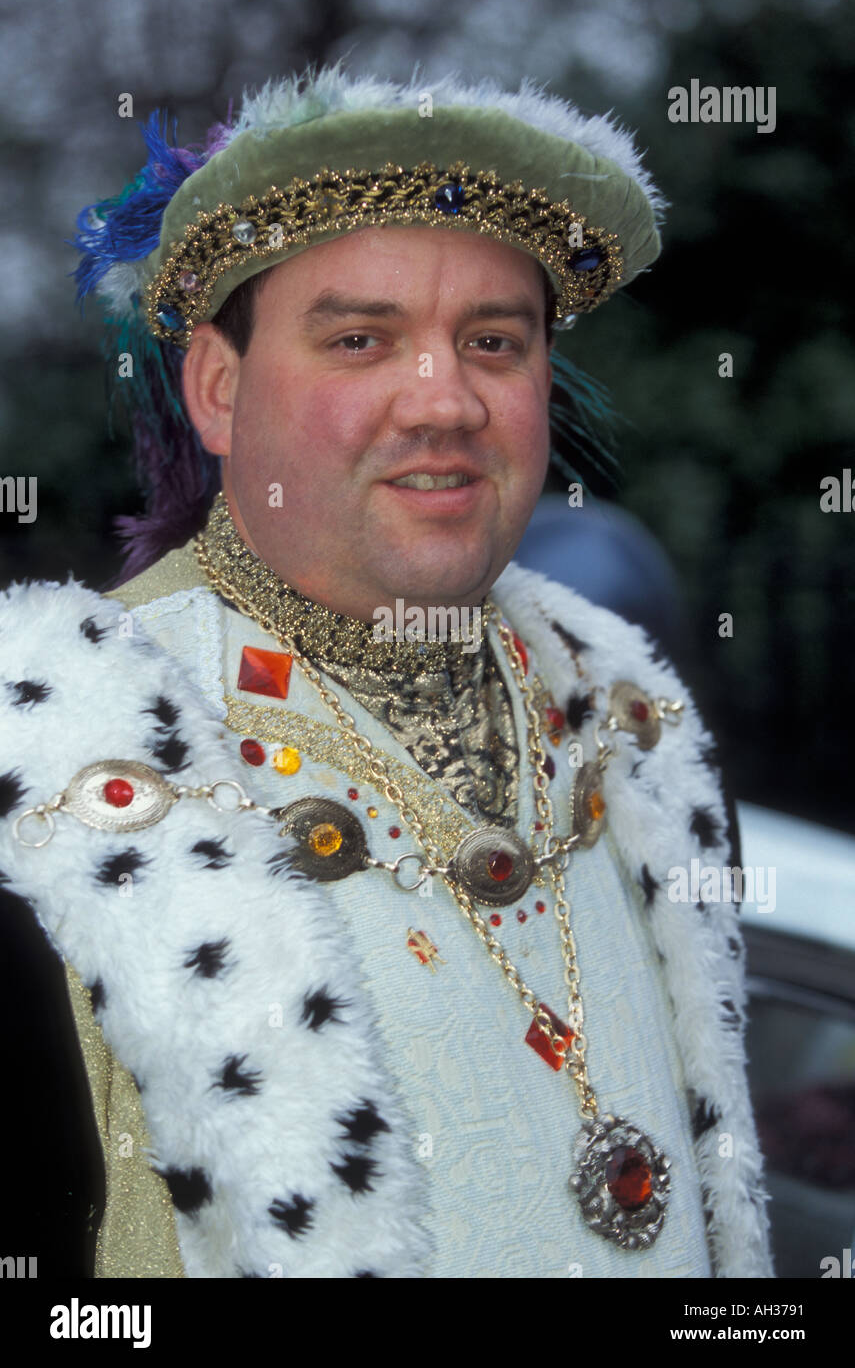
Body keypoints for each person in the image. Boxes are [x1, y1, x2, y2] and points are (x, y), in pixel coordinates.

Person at [0, 65, 773, 1278]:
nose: (445, 399)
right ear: (218, 388)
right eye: (361, 339)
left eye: (494, 343)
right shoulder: (51, 750)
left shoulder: (633, 720)